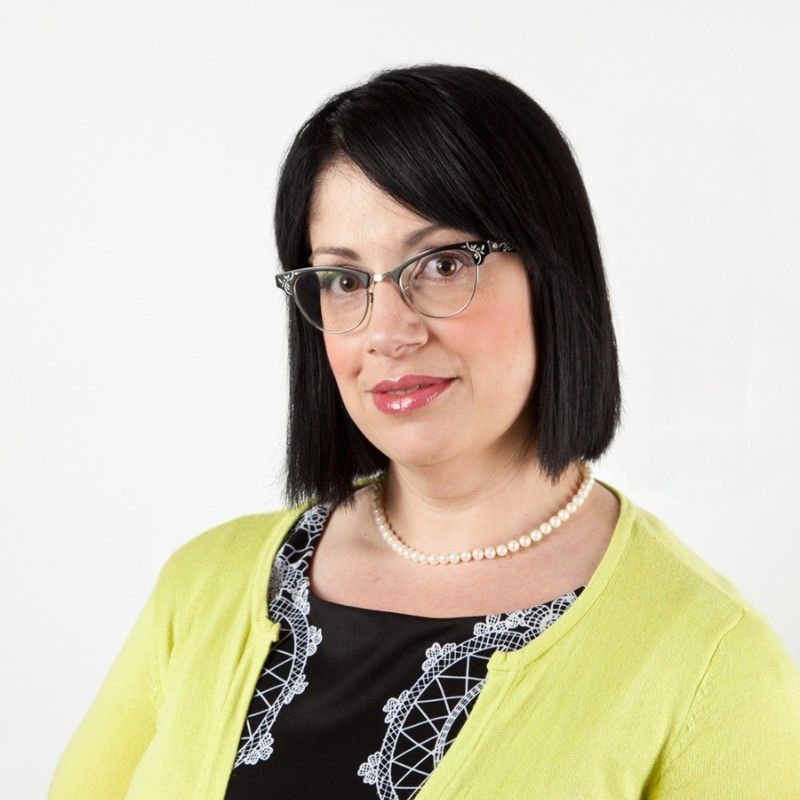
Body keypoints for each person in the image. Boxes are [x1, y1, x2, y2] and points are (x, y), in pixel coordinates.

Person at [48, 64, 800, 800]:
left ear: (553, 274)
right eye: (345, 280)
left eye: (440, 264)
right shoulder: (202, 588)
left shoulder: (713, 662)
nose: (386, 332)